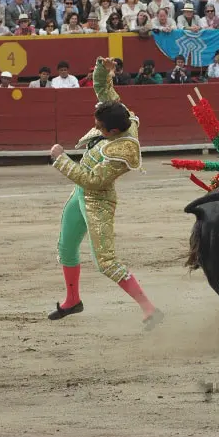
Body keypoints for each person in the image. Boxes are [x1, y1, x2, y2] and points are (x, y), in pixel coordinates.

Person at [47, 56, 164, 330]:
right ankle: (72, 300)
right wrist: (103, 69)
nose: (95, 128)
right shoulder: (121, 115)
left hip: (97, 200)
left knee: (107, 262)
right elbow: (103, 90)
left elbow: (92, 181)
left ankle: (149, 308)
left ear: (112, 131)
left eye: (99, 127)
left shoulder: (124, 150)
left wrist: (61, 159)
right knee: (66, 247)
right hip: (79, 195)